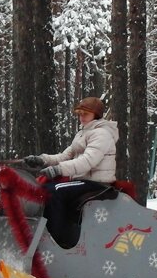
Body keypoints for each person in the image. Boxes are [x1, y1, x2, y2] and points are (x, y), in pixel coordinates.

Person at [23, 96, 119, 247]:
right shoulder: (83, 133)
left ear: (96, 115)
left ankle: (59, 240)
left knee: (53, 191)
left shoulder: (101, 134)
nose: (81, 117)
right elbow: (65, 156)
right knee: (45, 188)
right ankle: (41, 234)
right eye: (80, 114)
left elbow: (87, 161)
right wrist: (42, 159)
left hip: (96, 183)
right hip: (82, 181)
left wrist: (58, 169)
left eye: (85, 114)